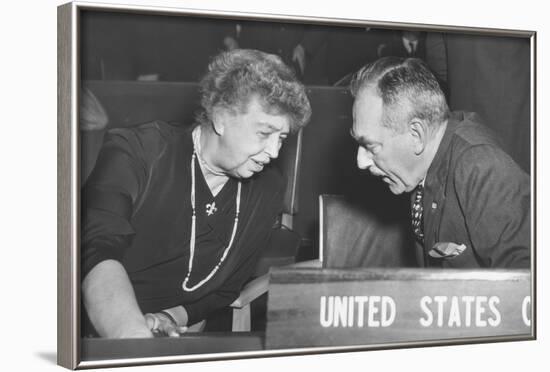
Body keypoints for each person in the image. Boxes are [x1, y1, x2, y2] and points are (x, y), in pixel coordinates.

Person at [81, 49, 311, 338]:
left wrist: (170, 317)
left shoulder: (268, 186)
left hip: (183, 332)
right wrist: (135, 342)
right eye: (264, 133)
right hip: (107, 329)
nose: (275, 152)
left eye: (283, 137)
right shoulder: (136, 153)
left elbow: (228, 287)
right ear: (221, 117)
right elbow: (93, 250)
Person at [349, 57, 530, 269]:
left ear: (416, 134)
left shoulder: (482, 167)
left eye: (370, 146)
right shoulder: (420, 165)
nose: (361, 161)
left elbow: (527, 285)